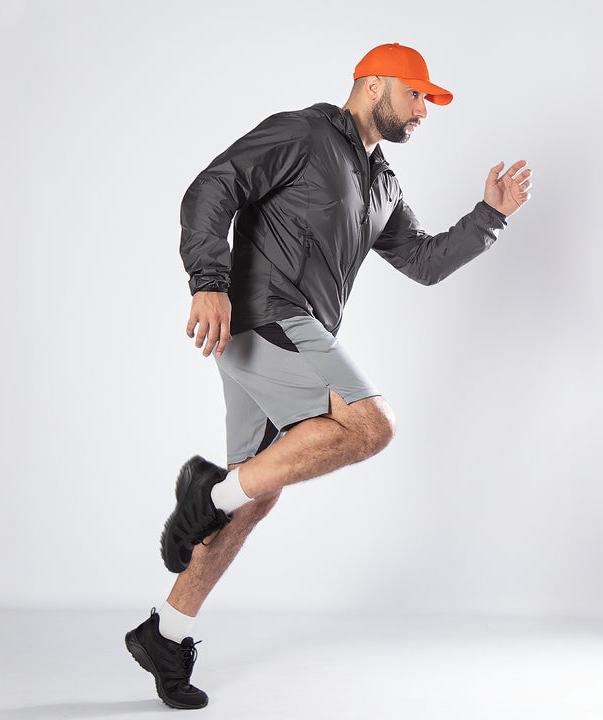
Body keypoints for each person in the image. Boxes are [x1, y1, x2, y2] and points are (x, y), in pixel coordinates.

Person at [125, 42, 532, 710]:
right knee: (371, 425)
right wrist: (208, 281)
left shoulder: (382, 184)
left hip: (278, 335)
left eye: (429, 100)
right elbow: (213, 187)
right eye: (415, 93)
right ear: (373, 85)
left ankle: (165, 633)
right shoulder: (304, 134)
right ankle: (208, 493)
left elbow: (423, 261)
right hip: (265, 316)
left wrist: (491, 216)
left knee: (256, 494)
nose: (423, 110)